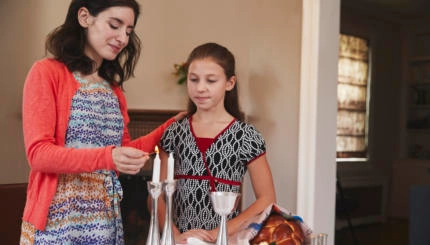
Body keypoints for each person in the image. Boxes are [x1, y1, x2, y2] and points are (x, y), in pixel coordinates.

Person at [19, 0, 185, 244]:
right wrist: (109, 157)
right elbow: (39, 154)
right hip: (58, 221)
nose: (123, 38)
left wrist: (168, 127)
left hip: (105, 220)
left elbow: (122, 155)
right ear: (85, 17)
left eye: (128, 31)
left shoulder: (113, 89)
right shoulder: (46, 72)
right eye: (115, 25)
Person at [158, 42, 277, 243]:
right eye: (193, 79)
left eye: (211, 80)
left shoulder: (246, 136)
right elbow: (157, 196)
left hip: (224, 240)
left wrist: (218, 233)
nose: (200, 88)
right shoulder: (173, 132)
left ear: (229, 83)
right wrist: (175, 236)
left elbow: (267, 199)